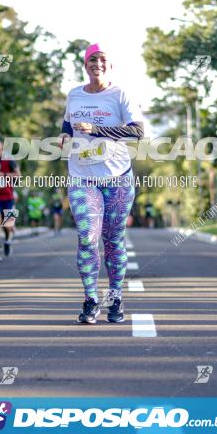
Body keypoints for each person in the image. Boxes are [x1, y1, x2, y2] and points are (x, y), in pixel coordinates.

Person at [61, 43, 144, 324]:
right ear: (85, 65)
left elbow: (137, 132)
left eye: (103, 59)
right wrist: (64, 136)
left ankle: (115, 298)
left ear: (111, 65)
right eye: (92, 59)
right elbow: (67, 123)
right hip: (82, 176)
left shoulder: (120, 94)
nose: (97, 63)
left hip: (117, 177)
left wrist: (96, 130)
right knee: (87, 236)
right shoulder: (74, 95)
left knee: (112, 239)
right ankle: (90, 299)